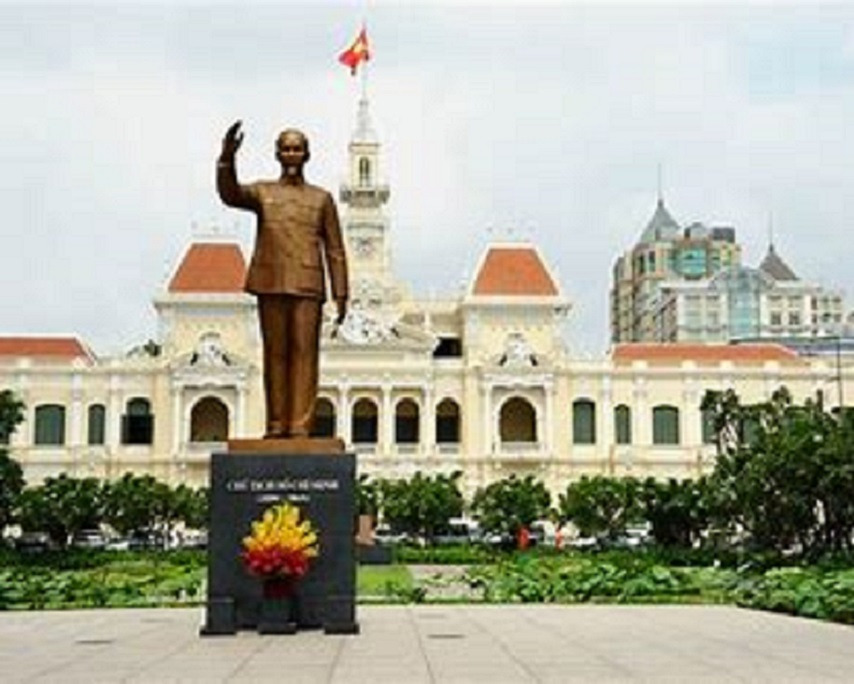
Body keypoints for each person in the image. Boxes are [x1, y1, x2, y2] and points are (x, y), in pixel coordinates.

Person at [217, 121, 349, 438]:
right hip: (271, 280)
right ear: (277, 154)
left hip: (308, 285)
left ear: (306, 154)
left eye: (297, 149)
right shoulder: (263, 192)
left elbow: (335, 248)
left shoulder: (321, 199)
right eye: (286, 149)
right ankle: (276, 424)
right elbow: (230, 194)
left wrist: (341, 292)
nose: (291, 154)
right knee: (275, 354)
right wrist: (226, 158)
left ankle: (300, 425)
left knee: (305, 354)